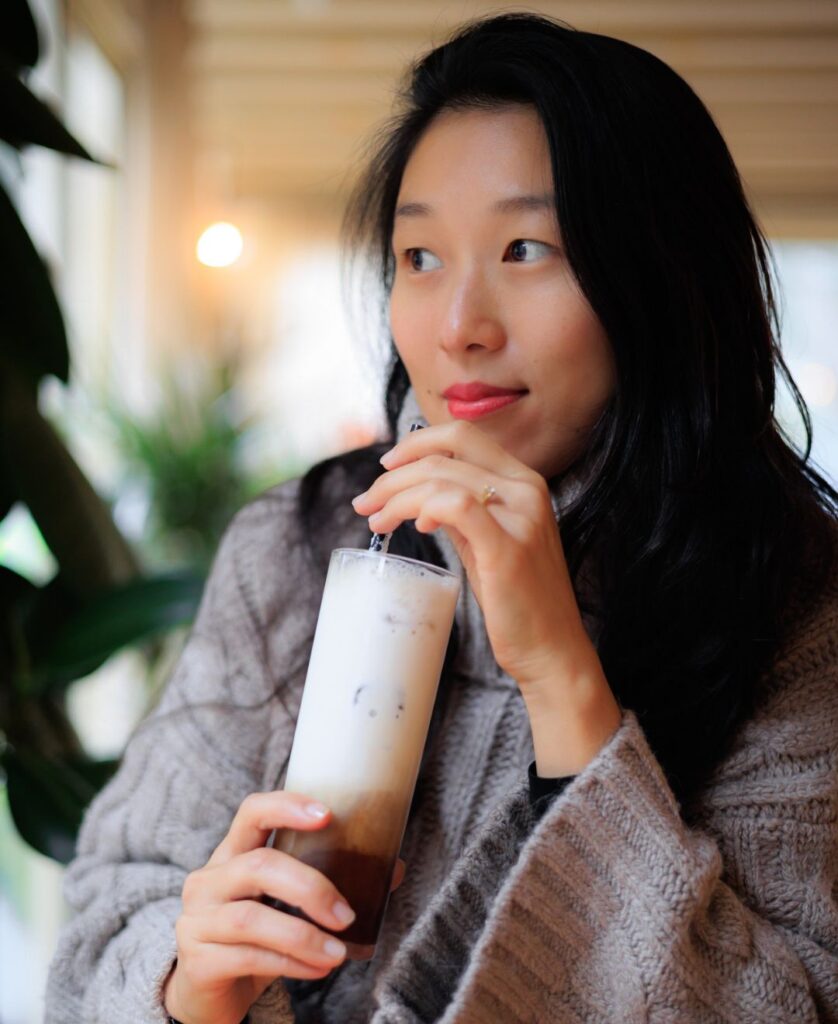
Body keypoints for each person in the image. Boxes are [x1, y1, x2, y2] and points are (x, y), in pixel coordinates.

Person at [46, 13, 837, 1024]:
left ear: (661, 275)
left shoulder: (797, 606)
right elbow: (103, 920)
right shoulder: (296, 550)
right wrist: (188, 981)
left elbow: (788, 1006)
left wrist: (559, 670)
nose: (459, 325)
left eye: (524, 247)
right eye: (418, 255)